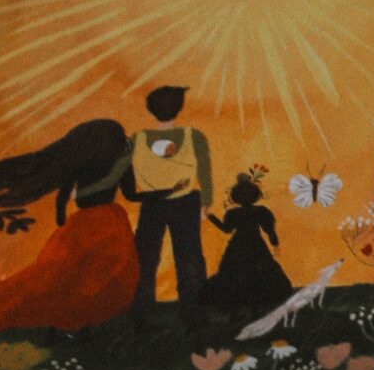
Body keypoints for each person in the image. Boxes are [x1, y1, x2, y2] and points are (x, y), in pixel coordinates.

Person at [0, 118, 139, 333]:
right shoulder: (117, 164)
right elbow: (131, 194)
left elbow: (63, 198)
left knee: (59, 277)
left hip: (85, 226)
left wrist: (62, 221)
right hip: (105, 224)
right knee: (81, 278)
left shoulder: (82, 165)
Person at [122, 85, 213, 308]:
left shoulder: (137, 139)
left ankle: (141, 310)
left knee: (145, 257)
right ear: (179, 107)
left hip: (152, 202)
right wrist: (206, 203)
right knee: (189, 257)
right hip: (186, 202)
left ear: (150, 109)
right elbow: (205, 172)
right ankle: (194, 310)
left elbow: (123, 171)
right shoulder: (194, 136)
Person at [200, 173, 291, 309]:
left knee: (234, 271)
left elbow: (226, 229)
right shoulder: (261, 211)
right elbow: (269, 230)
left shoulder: (233, 213)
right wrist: (274, 243)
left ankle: (238, 301)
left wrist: (211, 217)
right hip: (255, 244)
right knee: (259, 270)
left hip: (238, 245)